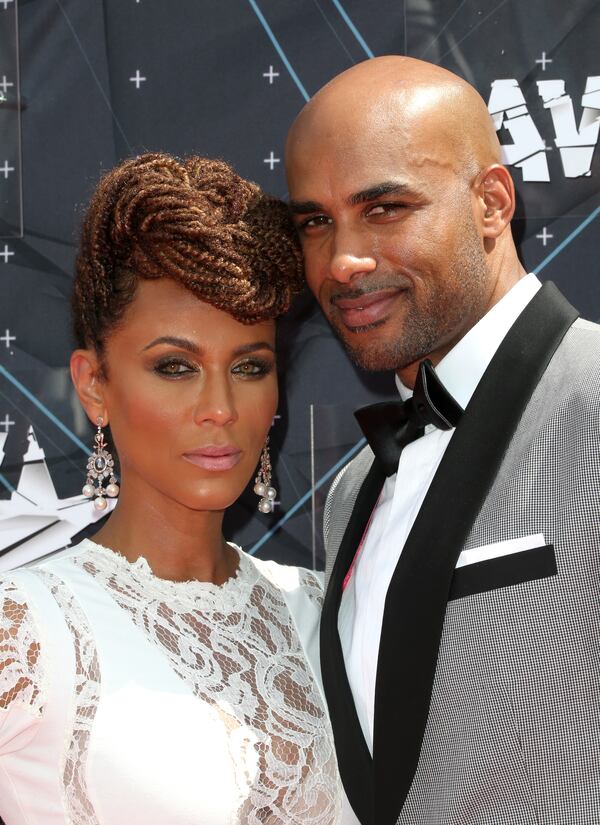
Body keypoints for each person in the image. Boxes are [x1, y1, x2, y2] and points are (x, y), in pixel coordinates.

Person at [285, 56, 600, 825]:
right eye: (316, 222)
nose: (343, 261)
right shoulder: (354, 489)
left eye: (385, 208)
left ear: (492, 203)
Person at [0, 153, 348, 825]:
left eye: (249, 366)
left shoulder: (323, 611)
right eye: (175, 366)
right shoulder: (26, 629)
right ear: (94, 385)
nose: (220, 405)